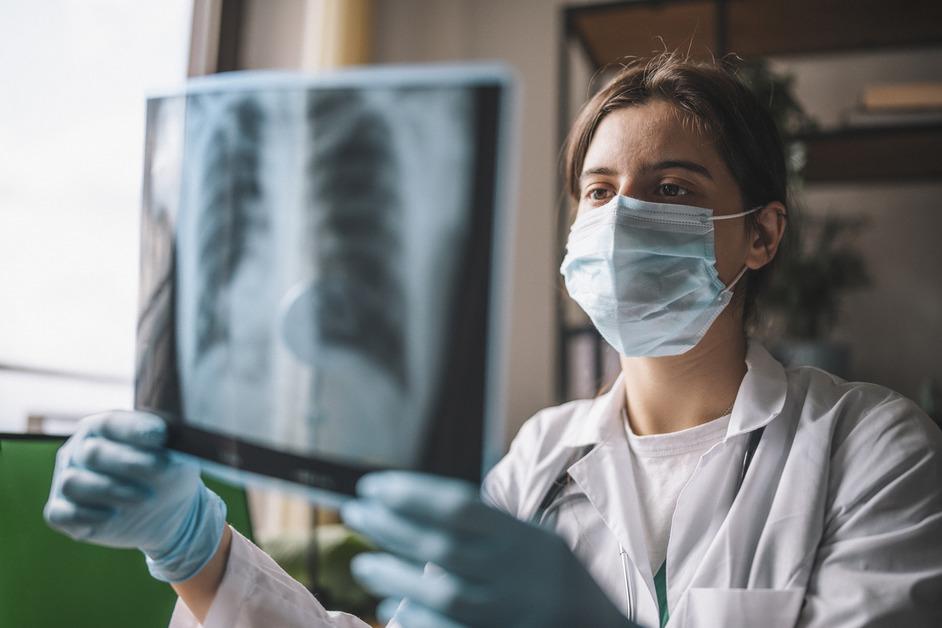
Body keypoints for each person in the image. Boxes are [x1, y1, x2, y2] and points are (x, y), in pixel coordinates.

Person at [44, 53, 942, 628]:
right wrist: (196, 553)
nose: (623, 218)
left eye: (670, 189)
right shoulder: (537, 461)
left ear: (763, 233)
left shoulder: (871, 451)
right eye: (599, 191)